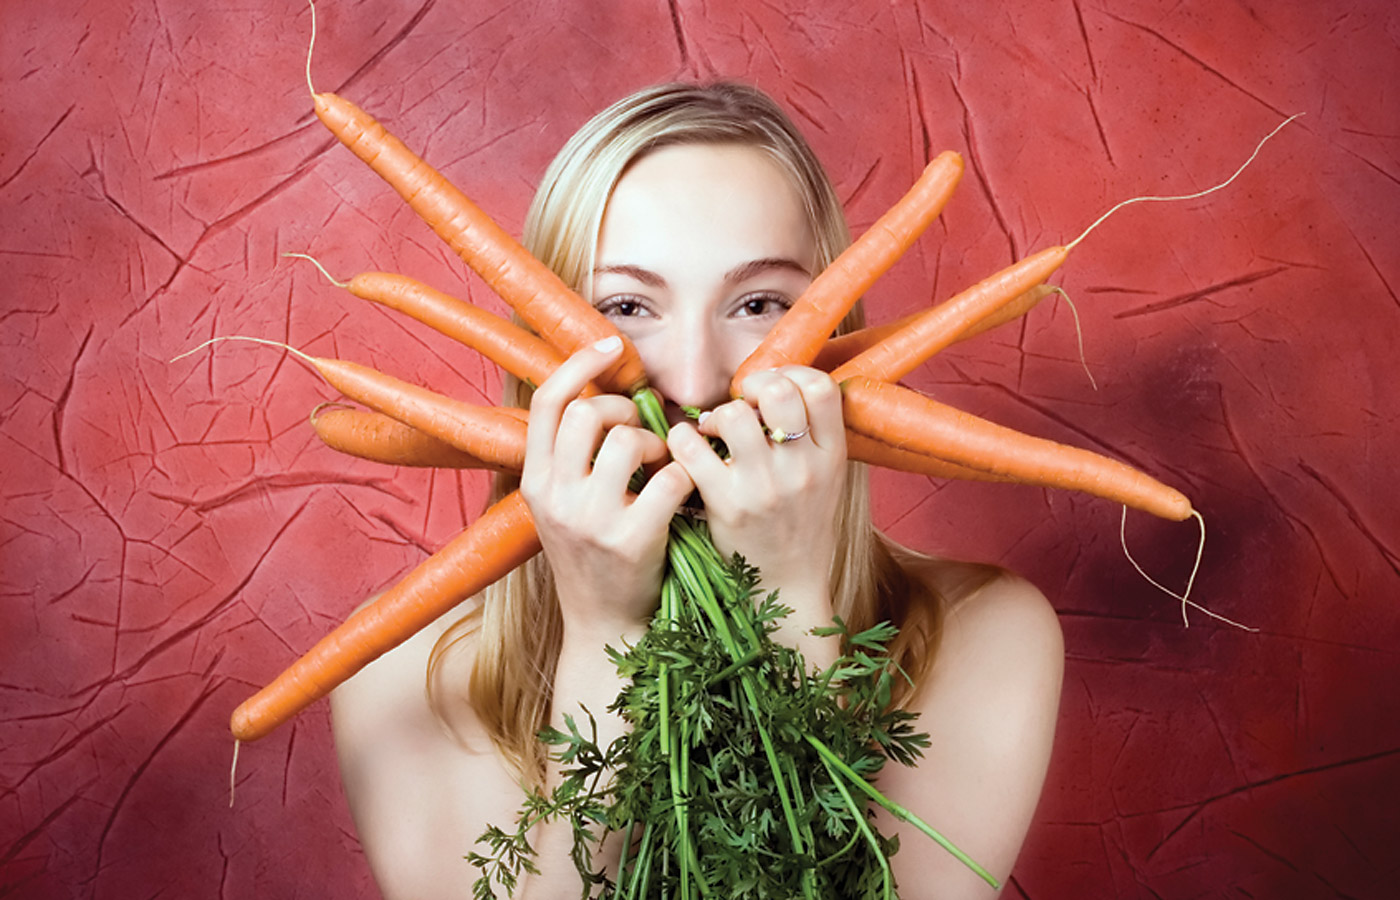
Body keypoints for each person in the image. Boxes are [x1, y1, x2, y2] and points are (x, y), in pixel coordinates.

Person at [331, 82, 1063, 900]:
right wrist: (606, 634)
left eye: (757, 304)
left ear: (835, 337)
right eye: (626, 305)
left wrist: (785, 600)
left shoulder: (984, 633)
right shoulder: (400, 675)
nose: (689, 380)